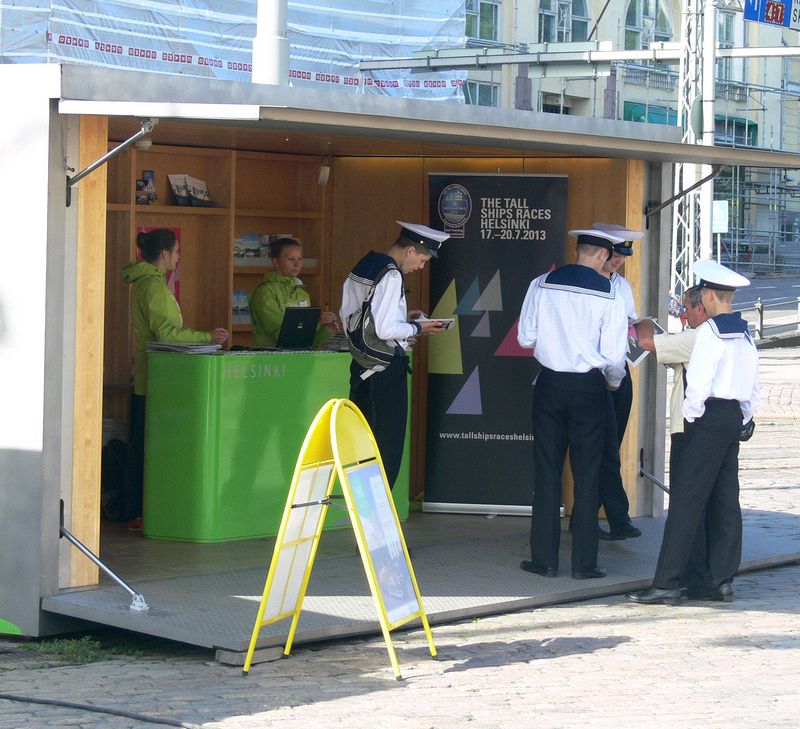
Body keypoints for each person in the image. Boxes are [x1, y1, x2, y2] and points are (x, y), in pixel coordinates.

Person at [629, 260, 760, 605]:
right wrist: (743, 418)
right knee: (725, 500)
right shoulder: (744, 332)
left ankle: (668, 582)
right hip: (733, 417)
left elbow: (697, 385)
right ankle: (719, 581)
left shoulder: (709, 333)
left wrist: (692, 417)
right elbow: (752, 386)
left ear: (709, 295)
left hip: (705, 418)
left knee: (686, 502)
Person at [517, 228, 629, 580]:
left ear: (580, 250)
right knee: (588, 472)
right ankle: (584, 564)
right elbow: (614, 356)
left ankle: (544, 560)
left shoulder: (541, 283)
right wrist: (612, 383)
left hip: (549, 383)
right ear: (600, 256)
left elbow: (525, 337)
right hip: (588, 388)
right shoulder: (610, 291)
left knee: (547, 472)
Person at [121, 228, 229, 529]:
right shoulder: (153, 288)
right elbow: (168, 333)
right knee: (145, 448)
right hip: (155, 377)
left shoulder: (151, 283)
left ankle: (137, 510)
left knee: (142, 445)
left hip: (151, 375)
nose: (179, 257)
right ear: (165, 253)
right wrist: (208, 337)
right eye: (177, 251)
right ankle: (138, 511)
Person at [340, 221, 449, 489]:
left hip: (362, 365)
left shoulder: (367, 264)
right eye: (423, 259)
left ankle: (363, 508)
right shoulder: (391, 275)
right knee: (386, 446)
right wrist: (418, 327)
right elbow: (386, 328)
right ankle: (378, 514)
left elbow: (361, 314)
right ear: (411, 251)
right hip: (384, 368)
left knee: (363, 443)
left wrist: (405, 318)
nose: (421, 266)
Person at [636, 285, 713, 594]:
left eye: (686, 309)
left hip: (689, 429)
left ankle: (671, 581)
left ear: (701, 308)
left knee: (684, 505)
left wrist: (642, 319)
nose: (683, 314)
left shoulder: (699, 336)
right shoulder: (720, 335)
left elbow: (645, 340)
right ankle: (705, 578)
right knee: (708, 506)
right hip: (713, 429)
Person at [593, 222, 644, 541]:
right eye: (614, 255)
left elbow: (630, 323)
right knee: (602, 448)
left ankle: (597, 516)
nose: (618, 261)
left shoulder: (622, 285)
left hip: (619, 370)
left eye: (623, 256)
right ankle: (616, 516)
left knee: (610, 445)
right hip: (593, 373)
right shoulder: (582, 284)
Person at [249, 237, 337, 348]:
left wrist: (326, 330)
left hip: (298, 358)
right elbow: (279, 334)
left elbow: (307, 341)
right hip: (270, 360)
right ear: (276, 262)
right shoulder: (265, 292)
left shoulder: (302, 293)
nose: (296, 264)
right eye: (291, 259)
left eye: (300, 259)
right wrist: (316, 323)